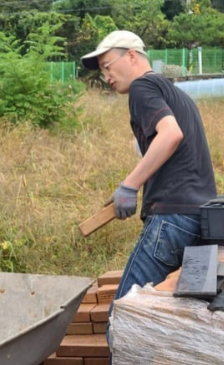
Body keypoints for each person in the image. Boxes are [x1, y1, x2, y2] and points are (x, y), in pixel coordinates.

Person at [81, 30, 216, 350]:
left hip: (171, 221)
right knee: (175, 322)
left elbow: (170, 135)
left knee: (125, 320)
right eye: (101, 70)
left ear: (131, 55)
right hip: (202, 220)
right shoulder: (176, 92)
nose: (106, 76)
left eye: (107, 66)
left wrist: (130, 185)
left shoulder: (142, 87)